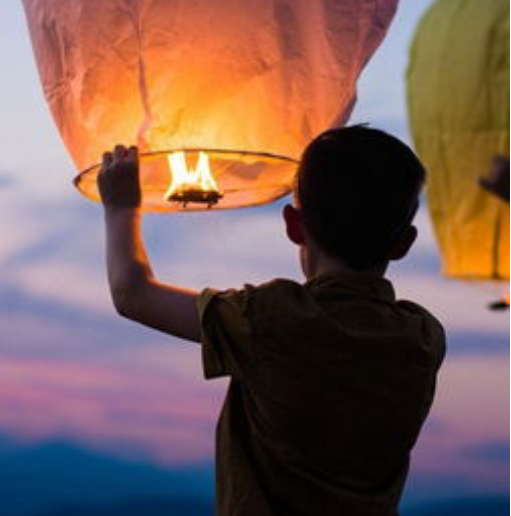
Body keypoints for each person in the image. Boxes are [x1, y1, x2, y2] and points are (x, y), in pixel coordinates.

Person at [98, 126, 446, 516]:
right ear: (404, 243)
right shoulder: (423, 337)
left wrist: (121, 206)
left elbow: (132, 294)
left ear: (293, 225)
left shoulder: (271, 318)